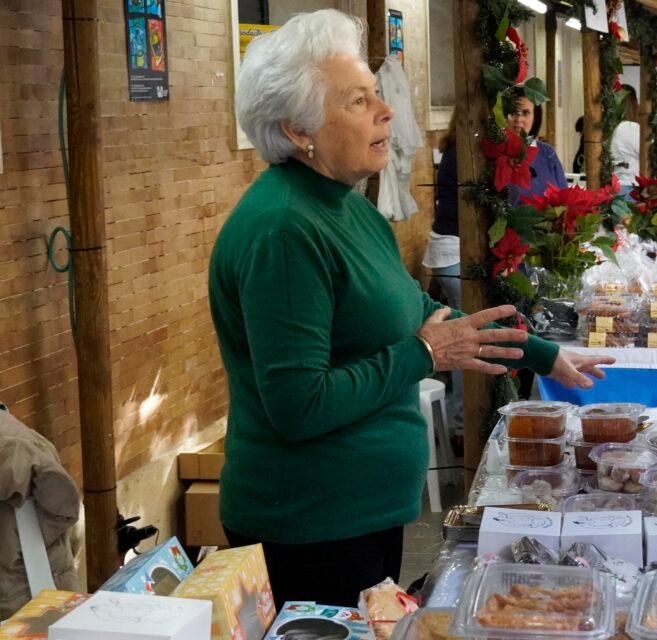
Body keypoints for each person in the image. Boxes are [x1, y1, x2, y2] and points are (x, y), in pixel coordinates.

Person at [210, 10, 614, 608]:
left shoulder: (346, 207)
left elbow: (419, 311)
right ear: (298, 129)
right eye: (357, 101)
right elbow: (298, 405)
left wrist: (544, 355)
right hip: (311, 523)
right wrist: (423, 356)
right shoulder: (284, 230)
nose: (386, 112)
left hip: (364, 510)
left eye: (376, 95)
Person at [421, 110, 463, 437]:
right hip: (454, 251)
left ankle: (456, 414)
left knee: (461, 329)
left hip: (445, 250)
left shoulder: (455, 144)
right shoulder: (467, 150)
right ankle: (460, 419)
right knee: (466, 334)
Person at [504, 89, 568, 205]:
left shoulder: (548, 153)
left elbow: (564, 196)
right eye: (512, 113)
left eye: (526, 113)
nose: (519, 120)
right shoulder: (495, 151)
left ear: (535, 117)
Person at [610, 85, 642, 190]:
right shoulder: (628, 127)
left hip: (620, 184)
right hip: (628, 184)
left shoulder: (616, 127)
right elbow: (645, 153)